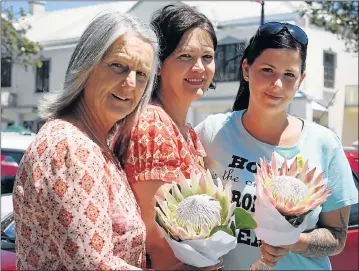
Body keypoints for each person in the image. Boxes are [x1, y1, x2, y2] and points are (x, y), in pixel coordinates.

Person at [195, 22, 358, 270]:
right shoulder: (211, 133)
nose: (277, 84)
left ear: (301, 79)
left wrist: (293, 241)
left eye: (289, 74)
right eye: (267, 70)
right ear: (246, 69)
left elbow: (337, 236)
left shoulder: (324, 144)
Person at [12, 10, 159, 270]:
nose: (130, 83)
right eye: (118, 66)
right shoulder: (70, 147)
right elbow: (94, 265)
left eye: (141, 75)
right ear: (87, 66)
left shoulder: (96, 144)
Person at [115, 4, 218, 270]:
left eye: (207, 57)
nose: (199, 67)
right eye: (185, 56)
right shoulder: (152, 124)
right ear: (158, 65)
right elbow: (157, 238)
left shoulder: (187, 131)